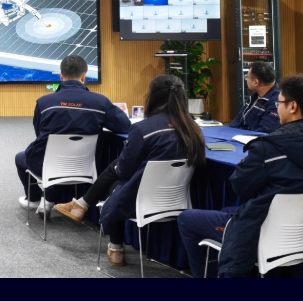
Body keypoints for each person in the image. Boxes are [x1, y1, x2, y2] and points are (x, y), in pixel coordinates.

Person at [177, 74, 303, 278]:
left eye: (279, 103)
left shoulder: (268, 149)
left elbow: (241, 187)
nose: (277, 109)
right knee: (228, 211)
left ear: (293, 106)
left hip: (258, 228)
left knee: (186, 218)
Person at [54, 74, 206, 266]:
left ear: (153, 96)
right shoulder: (193, 129)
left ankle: (114, 246)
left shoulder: (143, 129)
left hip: (141, 200)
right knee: (117, 171)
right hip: (177, 200)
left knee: (115, 183)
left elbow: (124, 171)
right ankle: (81, 206)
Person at [15, 55, 131, 215]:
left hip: (47, 166)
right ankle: (50, 198)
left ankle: (34, 199)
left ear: (61, 76)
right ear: (84, 76)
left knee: (20, 158)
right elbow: (125, 126)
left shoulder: (44, 102)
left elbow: (39, 134)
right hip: (87, 165)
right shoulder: (100, 102)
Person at [229, 61, 280, 133]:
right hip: (241, 134)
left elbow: (264, 131)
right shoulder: (254, 95)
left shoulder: (277, 101)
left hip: (253, 138)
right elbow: (239, 119)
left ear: (256, 82)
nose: (246, 80)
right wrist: (228, 133)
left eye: (247, 77)